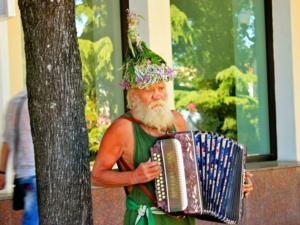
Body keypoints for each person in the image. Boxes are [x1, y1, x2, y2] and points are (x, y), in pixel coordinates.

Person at [92, 11, 253, 225]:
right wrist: (134, 176)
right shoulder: (122, 128)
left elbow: (194, 170)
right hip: (147, 220)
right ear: (133, 95)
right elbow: (97, 175)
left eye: (161, 87)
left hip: (182, 220)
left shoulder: (177, 119)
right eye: (149, 89)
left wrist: (234, 184)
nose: (158, 94)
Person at [0, 89, 39, 225]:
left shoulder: (14, 101)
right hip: (35, 173)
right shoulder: (40, 100)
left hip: (23, 175)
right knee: (33, 219)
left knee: (32, 216)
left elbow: (7, 141)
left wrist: (2, 172)